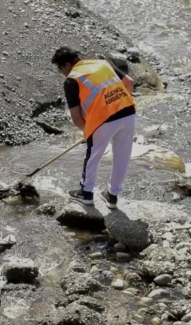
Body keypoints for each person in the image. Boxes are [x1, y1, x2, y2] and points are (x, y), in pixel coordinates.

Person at [51, 46, 136, 209]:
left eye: (60, 69)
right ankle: (112, 196)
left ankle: (86, 193)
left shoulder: (71, 80)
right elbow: (129, 83)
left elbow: (76, 117)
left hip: (102, 119)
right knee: (122, 157)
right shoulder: (102, 63)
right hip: (128, 112)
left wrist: (88, 132)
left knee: (93, 156)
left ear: (67, 65)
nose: (61, 73)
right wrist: (119, 104)